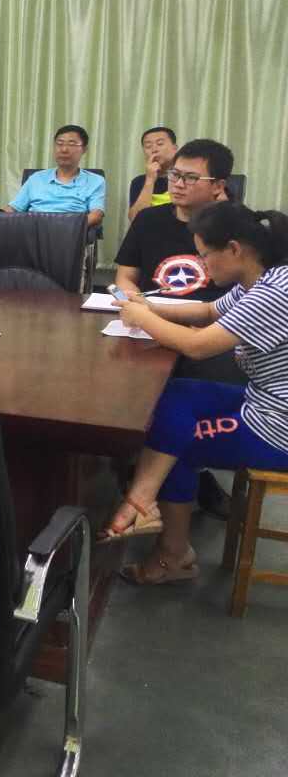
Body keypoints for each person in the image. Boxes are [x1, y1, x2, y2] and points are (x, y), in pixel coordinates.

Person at [102, 203, 288, 585]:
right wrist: (148, 306)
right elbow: (207, 312)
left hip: (276, 427)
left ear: (234, 249)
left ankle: (171, 555)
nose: (202, 265)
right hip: (261, 400)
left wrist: (143, 319)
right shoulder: (260, 280)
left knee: (177, 445)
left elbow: (197, 346)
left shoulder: (272, 294)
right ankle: (142, 499)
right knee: (176, 394)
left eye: (205, 255)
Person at [114, 139, 233, 302]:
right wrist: (135, 302)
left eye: (191, 178)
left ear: (218, 186)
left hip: (212, 314)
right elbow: (125, 278)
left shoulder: (236, 226)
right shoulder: (146, 219)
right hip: (150, 310)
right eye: (175, 175)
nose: (178, 184)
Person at [5, 125, 105, 228]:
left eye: (72, 144)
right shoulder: (36, 178)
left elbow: (96, 215)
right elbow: (13, 208)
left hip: (70, 232)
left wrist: (67, 228)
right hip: (33, 230)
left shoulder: (95, 181)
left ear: (84, 149)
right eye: (59, 144)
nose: (64, 149)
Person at [128, 126, 179, 223]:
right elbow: (135, 220)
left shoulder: (185, 179)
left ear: (175, 148)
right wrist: (150, 180)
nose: (154, 150)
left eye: (160, 144)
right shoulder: (138, 182)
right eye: (148, 146)